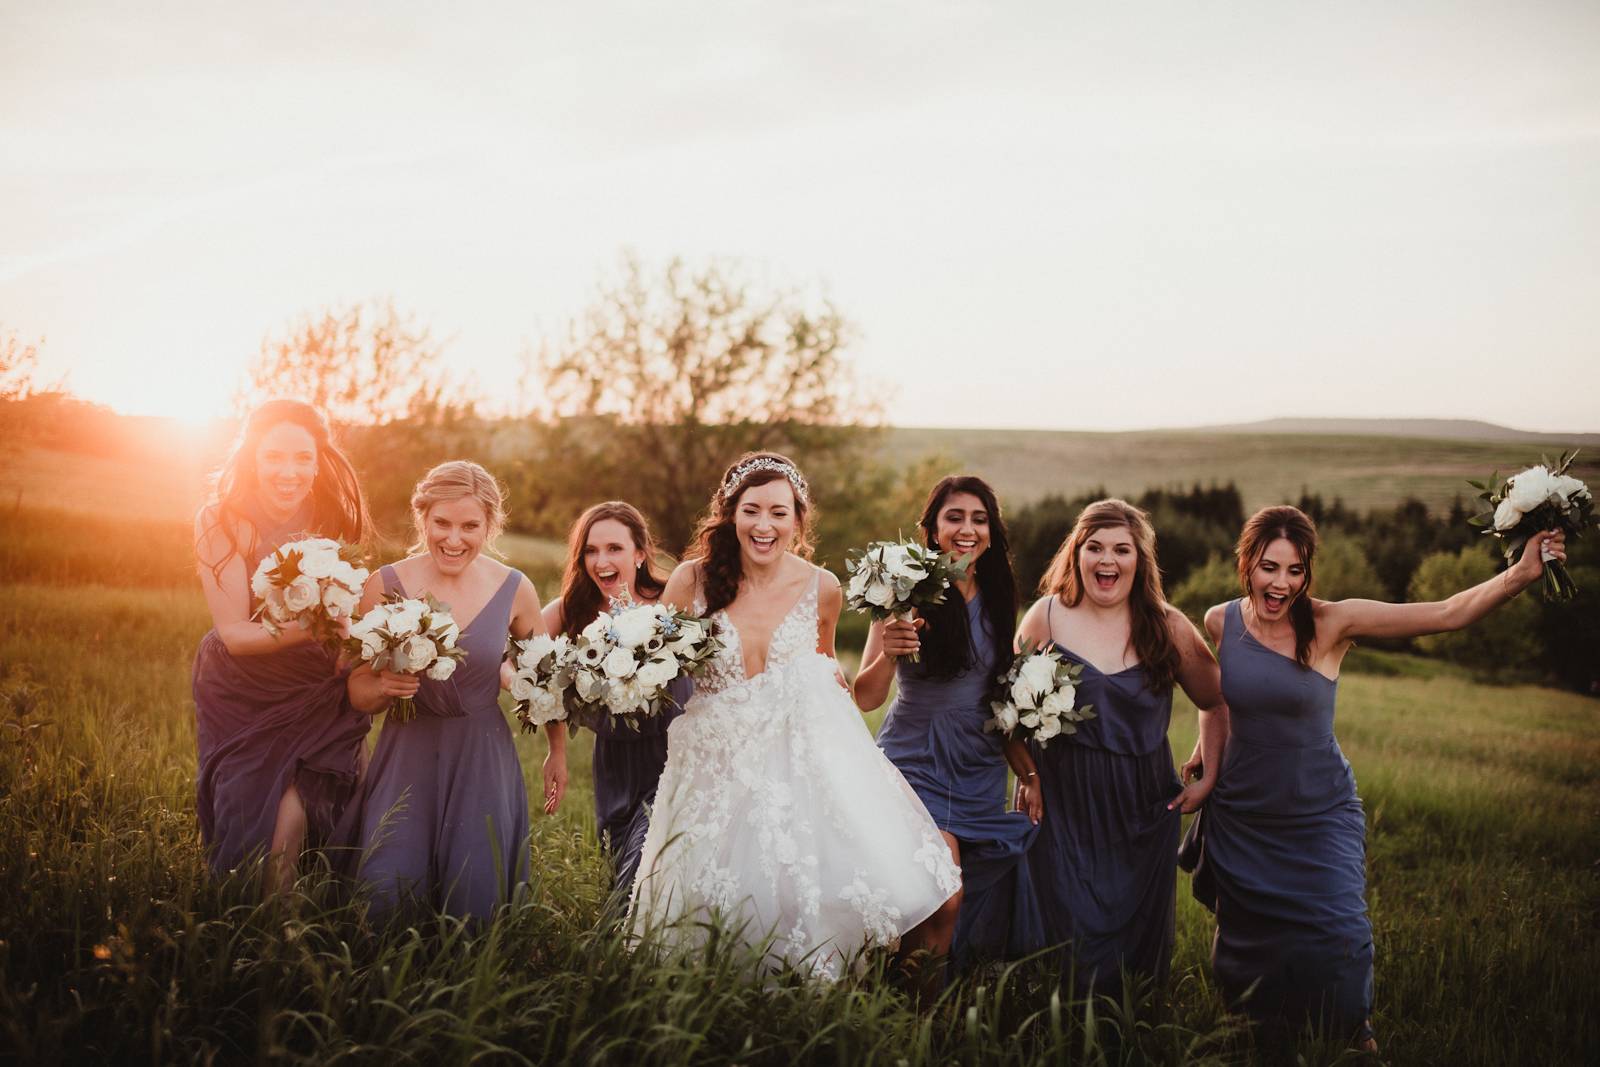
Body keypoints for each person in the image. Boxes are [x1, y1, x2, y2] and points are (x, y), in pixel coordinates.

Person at [1180, 505, 1566, 1049]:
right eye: (1270, 567)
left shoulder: (1333, 621)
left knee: (1340, 931)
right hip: (1245, 812)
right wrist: (1206, 758)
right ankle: (1254, 1032)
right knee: (1249, 938)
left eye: (1295, 570)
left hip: (1319, 810)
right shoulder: (1221, 620)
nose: (1282, 583)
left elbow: (1447, 612)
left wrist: (1520, 575)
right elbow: (1218, 701)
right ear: (1247, 563)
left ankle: (1353, 1036)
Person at [629, 452, 961, 980]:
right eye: (752, 510)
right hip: (718, 764)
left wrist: (884, 656)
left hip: (797, 762)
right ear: (730, 513)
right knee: (715, 903)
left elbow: (826, 674)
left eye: (779, 513)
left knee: (804, 889)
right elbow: (655, 664)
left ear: (798, 520)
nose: (765, 526)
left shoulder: (822, 587)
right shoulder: (691, 581)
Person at [1015, 499, 1227, 999]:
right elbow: (1009, 712)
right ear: (1076, 554)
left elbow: (1217, 701)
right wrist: (1026, 775)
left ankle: (1128, 1031)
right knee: (1061, 933)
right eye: (1095, 547)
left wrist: (1210, 773)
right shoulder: (1045, 617)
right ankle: (1054, 1030)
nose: (1106, 560)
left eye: (1121, 549)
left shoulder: (1168, 626)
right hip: (1062, 800)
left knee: (1131, 949)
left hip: (1141, 804)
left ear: (1140, 560)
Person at [342, 461, 551, 921]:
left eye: (470, 526)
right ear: (423, 518)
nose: (453, 539)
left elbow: (544, 676)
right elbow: (356, 690)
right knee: (386, 895)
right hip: (407, 754)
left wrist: (523, 688)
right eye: (442, 523)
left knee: (474, 906)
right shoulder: (386, 584)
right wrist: (382, 684)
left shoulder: (516, 589)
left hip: (481, 756)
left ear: (491, 525)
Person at [853, 475, 1044, 979]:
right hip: (916, 760)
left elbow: (1000, 700)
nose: (967, 529)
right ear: (933, 528)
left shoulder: (1002, 598)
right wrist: (890, 653)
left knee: (952, 901)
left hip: (979, 767)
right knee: (943, 893)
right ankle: (920, 1019)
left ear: (991, 530)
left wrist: (1026, 773)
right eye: (954, 518)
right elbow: (866, 696)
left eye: (979, 519)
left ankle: (914, 1000)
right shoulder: (902, 589)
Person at [191, 398, 373, 892]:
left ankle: (285, 925)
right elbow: (235, 635)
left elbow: (345, 606)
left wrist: (357, 647)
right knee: (248, 802)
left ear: (319, 461)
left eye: (303, 458)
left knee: (298, 806)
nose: (288, 472)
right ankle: (243, 922)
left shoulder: (334, 518)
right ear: (252, 456)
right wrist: (318, 630)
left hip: (317, 684)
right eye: (274, 457)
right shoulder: (222, 521)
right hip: (243, 687)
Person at [541, 501, 684, 896]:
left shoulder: (673, 602)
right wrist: (556, 750)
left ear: (641, 553)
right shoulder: (572, 612)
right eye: (590, 550)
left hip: (675, 754)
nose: (601, 560)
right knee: (620, 867)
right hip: (615, 762)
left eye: (614, 549)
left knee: (648, 870)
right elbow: (526, 666)